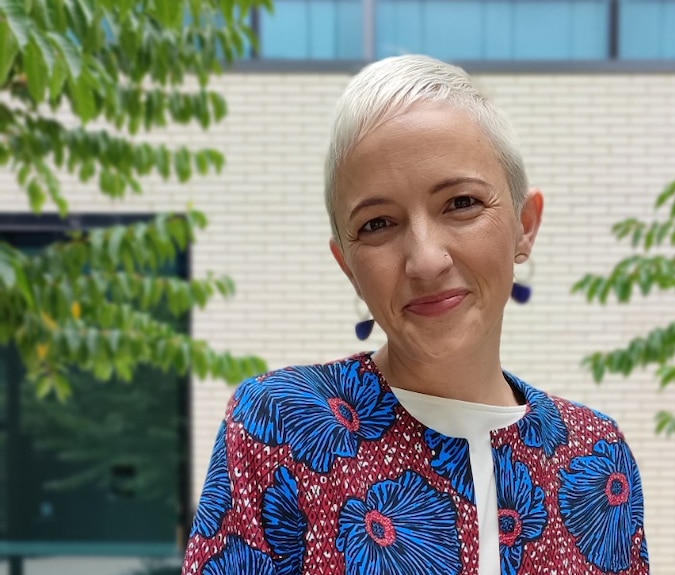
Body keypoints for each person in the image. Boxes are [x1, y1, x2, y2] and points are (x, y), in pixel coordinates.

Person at [181, 54, 649, 575]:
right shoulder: (279, 424)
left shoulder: (597, 455)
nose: (426, 260)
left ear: (525, 224)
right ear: (348, 265)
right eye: (378, 223)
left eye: (461, 203)